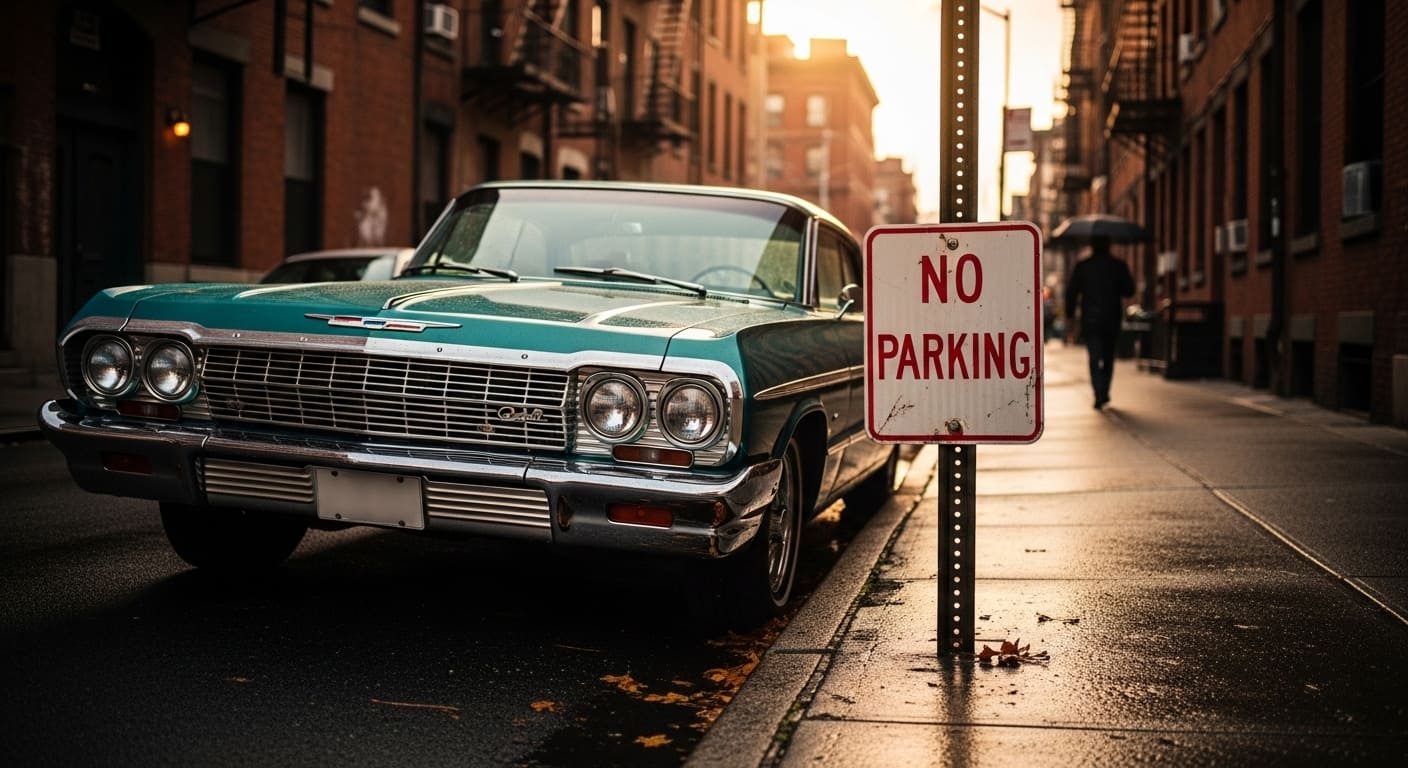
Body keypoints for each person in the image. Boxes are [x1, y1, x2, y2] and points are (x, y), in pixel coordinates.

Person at [1064, 236, 1135, 409]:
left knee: (1094, 357)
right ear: (1108, 245)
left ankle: (1098, 392)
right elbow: (1129, 290)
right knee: (1109, 356)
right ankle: (1104, 390)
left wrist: (1070, 316)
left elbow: (1071, 293)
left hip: (1091, 319)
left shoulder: (1083, 266)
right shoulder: (1118, 266)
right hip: (1112, 318)